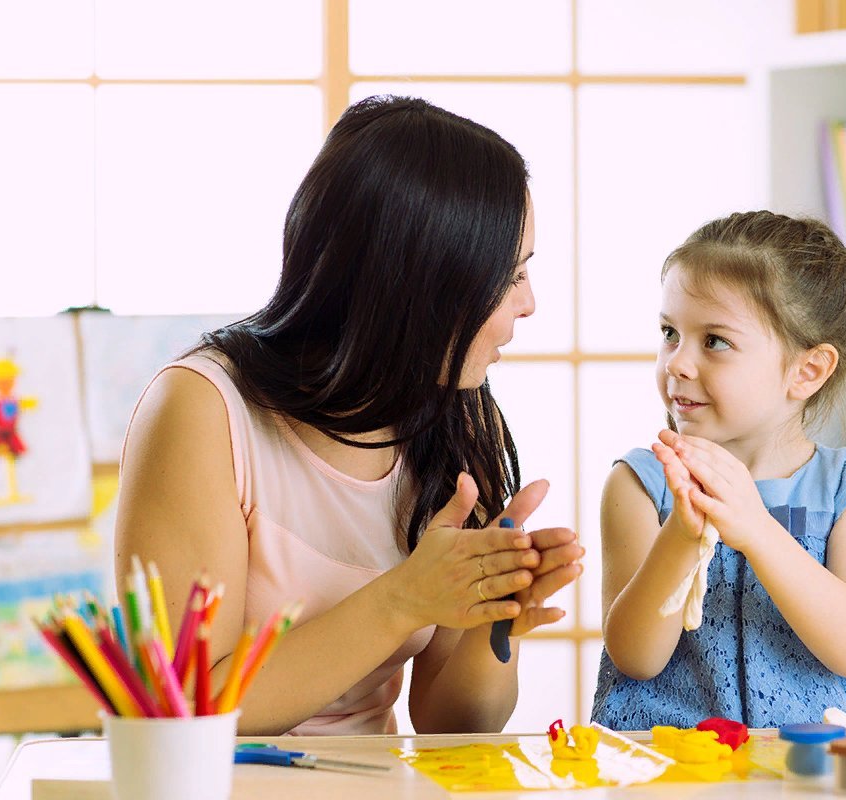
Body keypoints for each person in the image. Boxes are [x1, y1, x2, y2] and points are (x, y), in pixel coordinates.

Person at [114, 95, 584, 736]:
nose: (529, 304)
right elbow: (183, 715)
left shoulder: (453, 417)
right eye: (509, 276)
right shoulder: (201, 409)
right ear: (422, 283)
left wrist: (491, 619)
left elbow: (453, 724)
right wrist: (404, 599)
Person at [592, 211, 846, 730]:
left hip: (819, 769)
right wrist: (682, 535)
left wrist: (756, 529)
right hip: (673, 768)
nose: (677, 363)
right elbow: (635, 657)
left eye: (714, 341)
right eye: (670, 332)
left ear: (807, 371)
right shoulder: (640, 485)